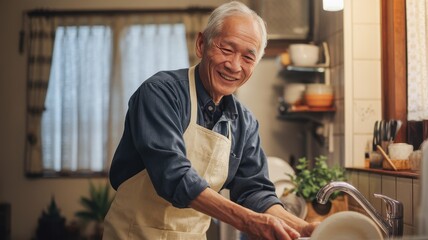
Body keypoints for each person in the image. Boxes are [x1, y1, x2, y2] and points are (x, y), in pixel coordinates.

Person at [103, 1, 318, 239]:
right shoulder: (160, 93)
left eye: (248, 57)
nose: (234, 65)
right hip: (133, 234)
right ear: (201, 44)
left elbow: (254, 191)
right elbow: (173, 176)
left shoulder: (244, 122)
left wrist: (303, 227)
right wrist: (248, 221)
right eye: (226, 50)